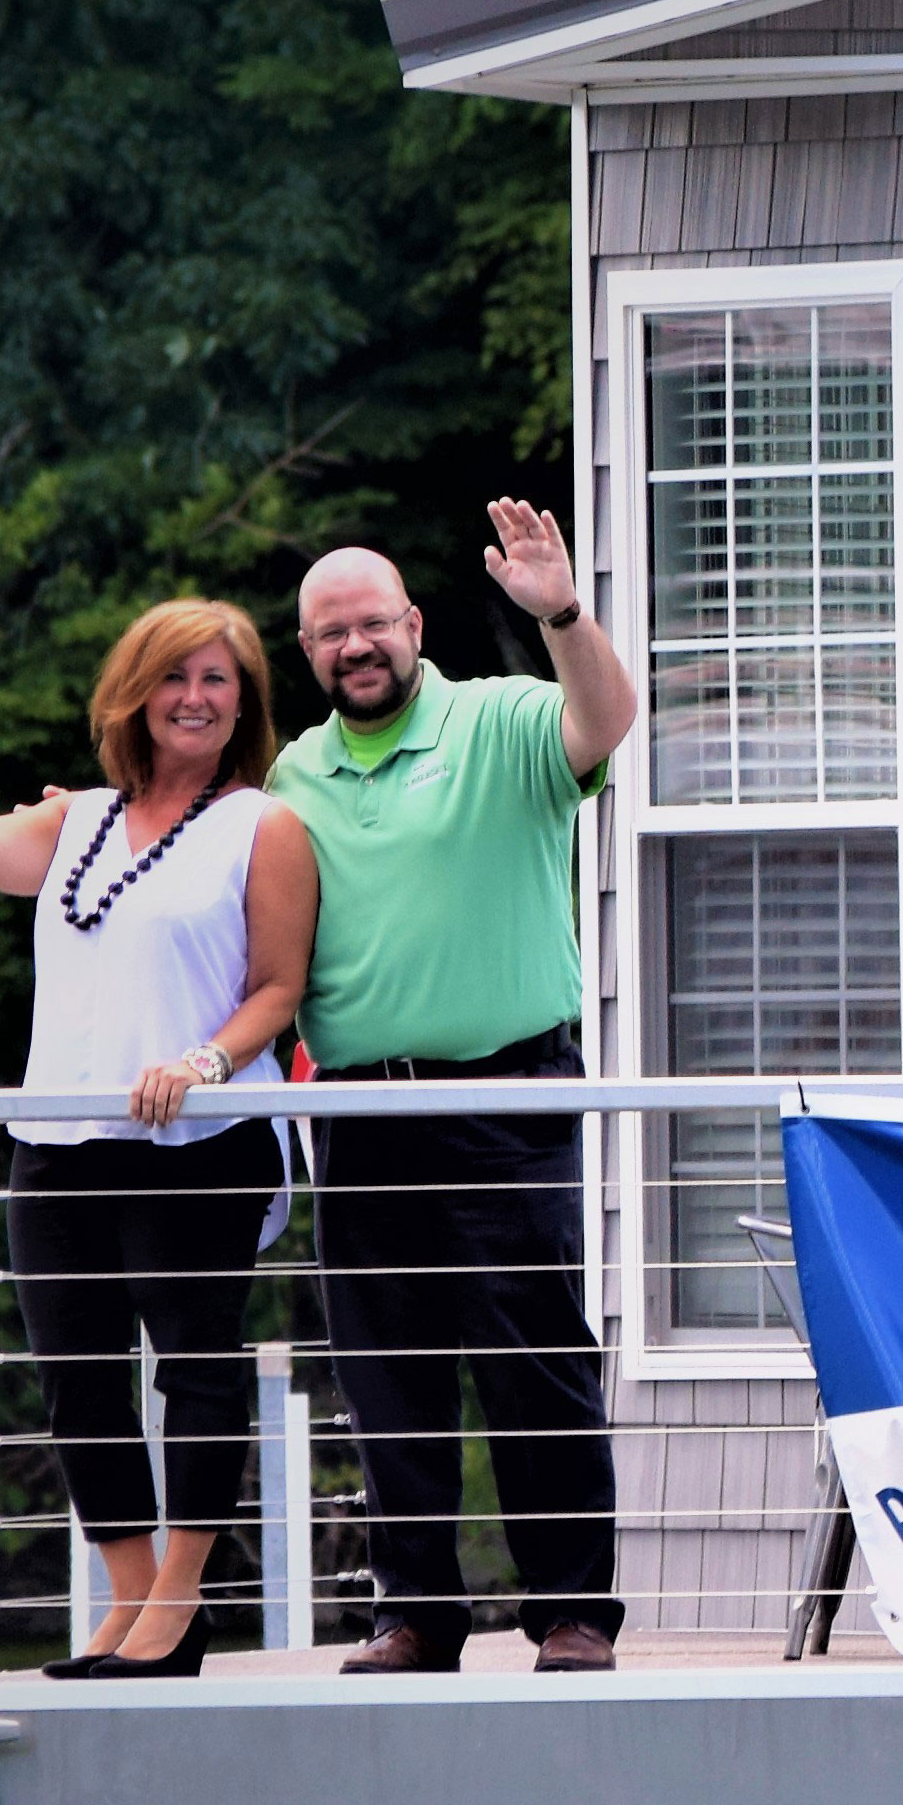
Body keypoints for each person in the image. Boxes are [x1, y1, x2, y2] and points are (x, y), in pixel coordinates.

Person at [0, 603, 318, 1679]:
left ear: (244, 701)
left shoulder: (263, 826)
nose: (195, 696)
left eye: (218, 679)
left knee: (195, 1366)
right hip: (58, 1137)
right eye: (174, 676)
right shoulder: (76, 821)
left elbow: (277, 987)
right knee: (77, 1373)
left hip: (196, 1136)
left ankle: (183, 1601)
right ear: (134, 694)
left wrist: (200, 1064)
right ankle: (132, 1594)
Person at [274, 502, 640, 1675]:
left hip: (507, 1091)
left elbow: (607, 719)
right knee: (387, 1363)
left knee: (530, 1349)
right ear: (309, 653)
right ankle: (416, 1613)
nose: (354, 647)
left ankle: (572, 1608)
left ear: (413, 624)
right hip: (361, 1106)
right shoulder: (293, 773)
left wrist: (564, 616)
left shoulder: (499, 717)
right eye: (330, 634)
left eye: (371, 623)